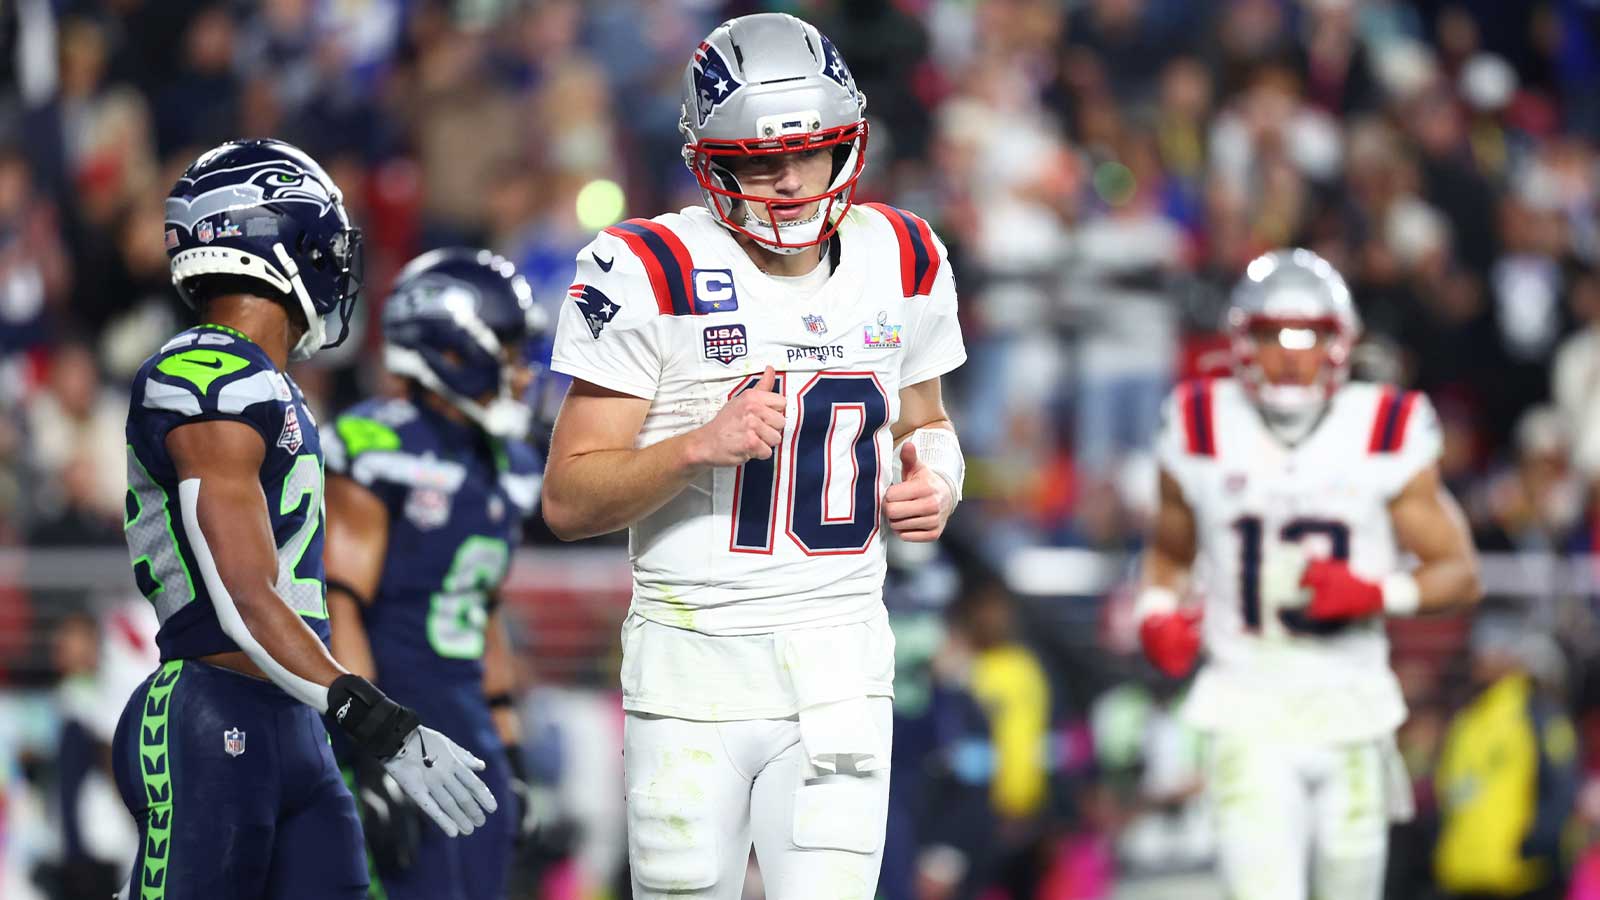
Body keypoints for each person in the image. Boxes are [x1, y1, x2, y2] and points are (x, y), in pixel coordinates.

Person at [539, 13, 967, 900]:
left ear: (847, 140)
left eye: (809, 153)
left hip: (841, 661)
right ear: (708, 162)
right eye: (758, 160)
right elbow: (568, 499)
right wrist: (694, 447)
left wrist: (941, 477)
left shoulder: (908, 256)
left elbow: (924, 420)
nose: (787, 181)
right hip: (688, 668)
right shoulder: (650, 267)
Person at [112, 139, 496, 900]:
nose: (338, 262)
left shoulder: (274, 387)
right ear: (275, 240)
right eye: (327, 240)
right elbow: (245, 596)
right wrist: (378, 720)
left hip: (297, 726)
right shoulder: (203, 372)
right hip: (210, 713)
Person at [1134, 248, 1483, 900]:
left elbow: (1460, 574)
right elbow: (1170, 553)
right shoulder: (1200, 422)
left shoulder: (1384, 425)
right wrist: (1153, 611)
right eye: (1272, 335)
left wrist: (1378, 592)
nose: (1291, 355)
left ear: (1340, 343)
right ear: (1240, 341)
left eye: (1309, 336)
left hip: (1351, 709)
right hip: (1248, 704)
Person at [323, 248, 545, 900]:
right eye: (508, 353)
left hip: (467, 726)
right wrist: (369, 748)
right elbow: (340, 605)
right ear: (454, 351)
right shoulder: (378, 445)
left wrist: (512, 754)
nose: (524, 375)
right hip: (395, 717)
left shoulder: (510, 464)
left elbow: (484, 613)